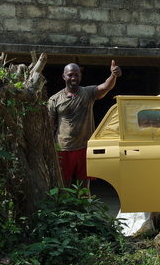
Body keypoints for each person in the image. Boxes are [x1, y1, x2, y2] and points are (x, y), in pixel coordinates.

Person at [48, 60, 122, 189]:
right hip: (63, 148)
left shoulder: (88, 93)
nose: (73, 78)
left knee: (84, 185)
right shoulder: (55, 99)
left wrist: (113, 75)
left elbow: (105, 86)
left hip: (84, 148)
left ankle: (83, 208)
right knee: (63, 185)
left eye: (76, 75)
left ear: (80, 76)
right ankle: (63, 208)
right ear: (64, 76)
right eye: (70, 75)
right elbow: (49, 125)